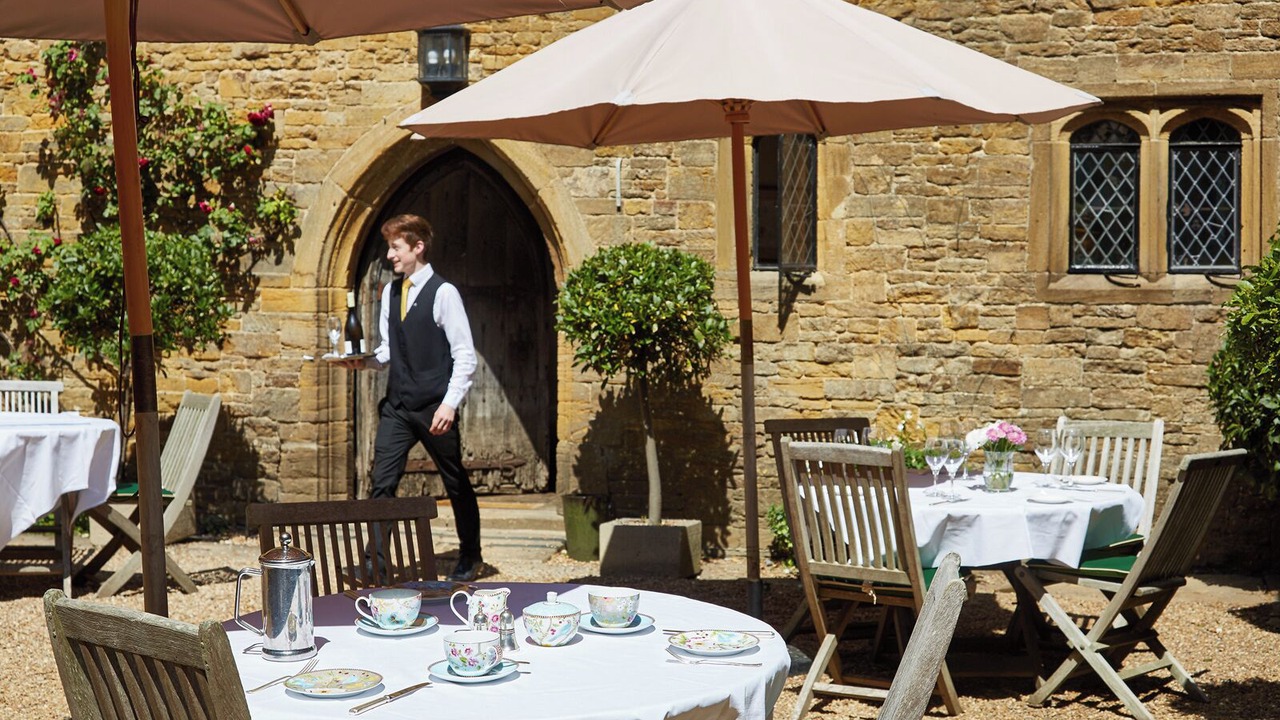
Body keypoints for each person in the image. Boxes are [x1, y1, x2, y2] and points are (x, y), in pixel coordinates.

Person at [339, 214, 482, 582]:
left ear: (418, 247)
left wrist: (449, 403)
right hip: (398, 407)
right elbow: (389, 350)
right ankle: (374, 564)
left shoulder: (444, 293)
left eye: (396, 247)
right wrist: (364, 362)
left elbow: (465, 355)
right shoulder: (391, 292)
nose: (390, 255)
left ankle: (471, 555)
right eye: (390, 247)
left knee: (454, 481)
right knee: (382, 481)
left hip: (435, 406)